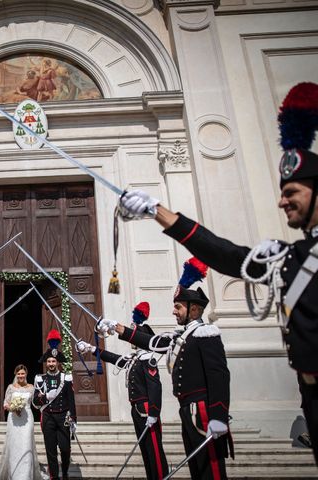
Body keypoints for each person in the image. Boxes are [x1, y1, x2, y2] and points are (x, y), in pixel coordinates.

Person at [118, 81, 318, 465]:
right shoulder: (288, 257)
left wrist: (220, 413)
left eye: (292, 191)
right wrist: (157, 210)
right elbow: (224, 254)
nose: (282, 200)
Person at [99, 260, 231, 480]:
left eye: (178, 307)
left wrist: (219, 414)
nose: (173, 311)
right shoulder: (180, 337)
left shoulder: (206, 333)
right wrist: (117, 327)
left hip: (204, 411)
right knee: (197, 470)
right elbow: (150, 341)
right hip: (187, 411)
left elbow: (219, 376)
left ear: (194, 309)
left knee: (212, 472)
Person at [77, 302, 168, 480]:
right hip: (137, 410)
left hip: (147, 410)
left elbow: (155, 387)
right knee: (145, 449)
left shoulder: (148, 359)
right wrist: (91, 349)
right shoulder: (135, 359)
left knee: (154, 451)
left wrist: (154, 413)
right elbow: (114, 358)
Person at [32, 329, 76, 480]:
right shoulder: (39, 379)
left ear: (58, 363)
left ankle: (64, 471)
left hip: (63, 417)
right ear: (46, 363)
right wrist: (43, 398)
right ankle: (54, 477)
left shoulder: (66, 378)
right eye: (49, 361)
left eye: (53, 361)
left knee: (65, 448)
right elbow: (35, 402)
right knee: (50, 450)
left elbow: (71, 400)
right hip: (48, 417)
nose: (51, 363)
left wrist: (74, 419)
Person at [0, 364, 46, 480]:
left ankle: (26, 475)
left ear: (26, 374)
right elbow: (5, 403)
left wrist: (41, 397)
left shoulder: (31, 388)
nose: (21, 376)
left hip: (27, 418)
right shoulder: (11, 387)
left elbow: (36, 404)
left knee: (26, 443)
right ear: (16, 375)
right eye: (19, 374)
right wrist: (12, 408)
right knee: (14, 444)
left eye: (23, 373)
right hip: (14, 419)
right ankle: (14, 473)